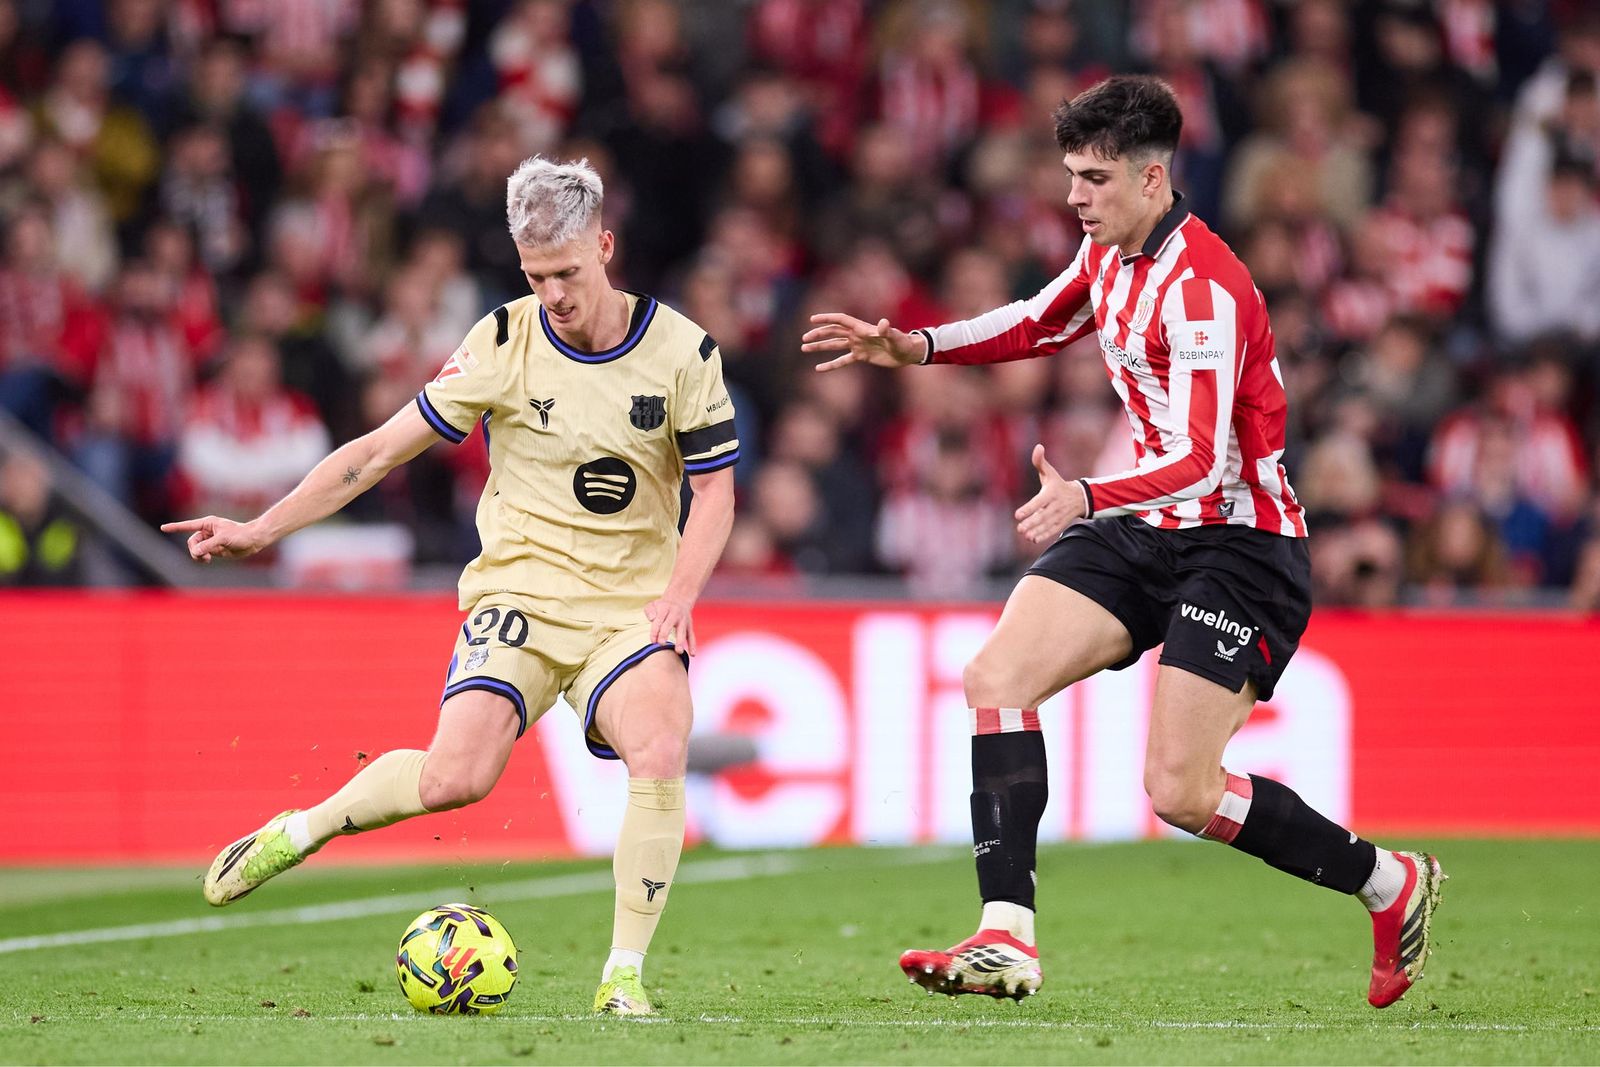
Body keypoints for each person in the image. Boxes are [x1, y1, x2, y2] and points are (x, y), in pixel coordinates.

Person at [801, 75, 1443, 1010]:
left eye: (1093, 179)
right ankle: (1006, 936)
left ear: (1152, 181)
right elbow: (1038, 318)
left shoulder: (1206, 291)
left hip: (1241, 544)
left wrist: (1086, 496)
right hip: (1147, 526)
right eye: (1070, 175)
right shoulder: (1107, 252)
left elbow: (1195, 456)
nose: (1074, 197)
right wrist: (918, 346)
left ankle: (1388, 882)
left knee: (1180, 792)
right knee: (996, 677)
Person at [162, 157, 740, 1017]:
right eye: (537, 276)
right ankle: (302, 828)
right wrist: (263, 528)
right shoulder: (503, 342)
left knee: (660, 745)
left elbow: (717, 492)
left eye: (570, 273)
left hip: (630, 607)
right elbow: (377, 451)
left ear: (606, 245)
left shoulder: (683, 352)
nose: (555, 295)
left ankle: (623, 976)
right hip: (520, 593)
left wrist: (680, 596)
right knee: (453, 780)